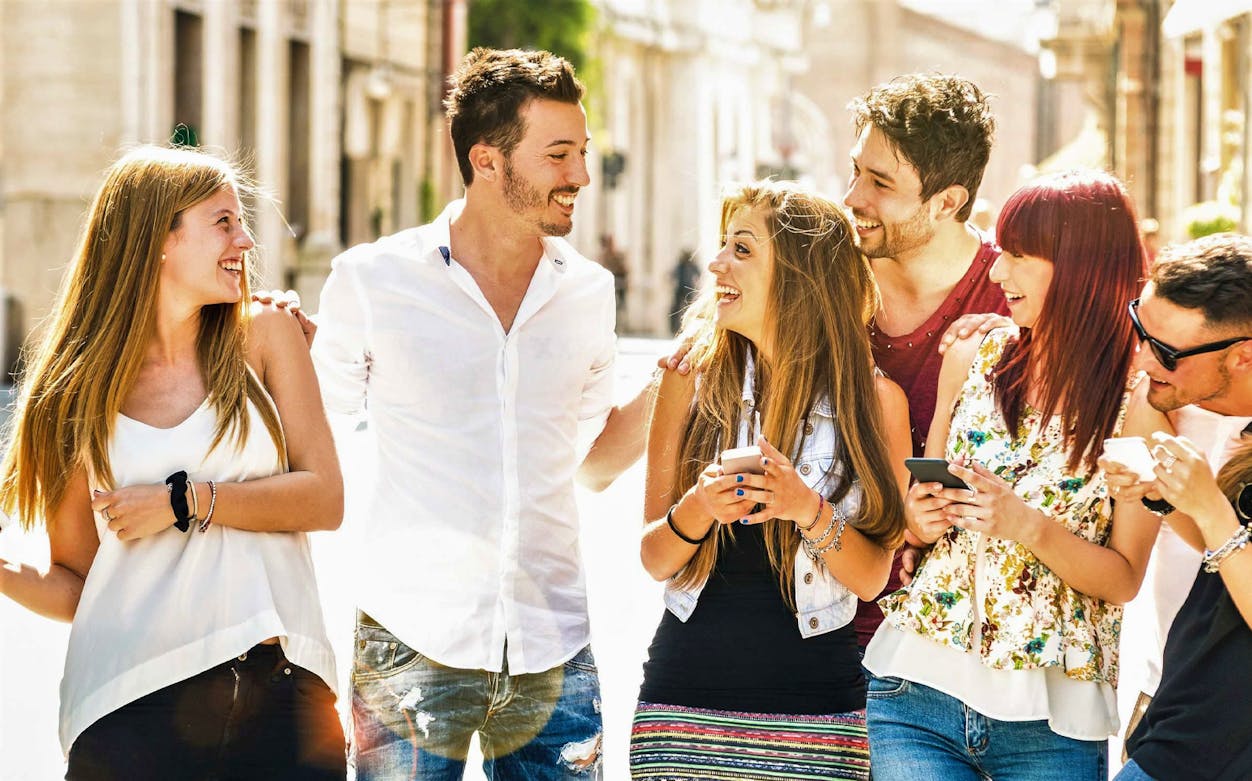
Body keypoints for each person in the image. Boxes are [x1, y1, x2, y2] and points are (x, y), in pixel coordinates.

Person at [312, 48, 649, 779]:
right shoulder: (372, 281)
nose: (580, 176)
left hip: (553, 646)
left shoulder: (589, 292)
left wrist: (685, 375)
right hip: (409, 645)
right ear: (488, 161)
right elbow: (303, 436)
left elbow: (592, 464)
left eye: (583, 152)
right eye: (558, 154)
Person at [0, 145, 345, 778]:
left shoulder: (265, 335)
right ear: (157, 239)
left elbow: (324, 498)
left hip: (282, 693)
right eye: (222, 222)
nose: (245, 240)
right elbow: (78, 583)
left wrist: (188, 501)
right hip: (127, 705)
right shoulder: (73, 391)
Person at [863, 170, 1169, 780]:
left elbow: (1124, 579)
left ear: (1081, 267)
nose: (998, 273)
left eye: (1018, 256)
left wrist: (1025, 524)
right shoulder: (971, 355)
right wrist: (919, 521)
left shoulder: (1140, 401)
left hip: (1052, 721)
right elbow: (919, 523)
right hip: (917, 692)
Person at [629, 181, 911, 780]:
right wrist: (700, 508)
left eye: (743, 249)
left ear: (800, 275)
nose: (716, 263)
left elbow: (871, 579)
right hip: (682, 715)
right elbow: (655, 558)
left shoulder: (878, 402)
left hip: (819, 716)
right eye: (723, 245)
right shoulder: (689, 381)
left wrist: (806, 508)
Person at [1105, 233, 1252, 780]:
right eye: (1140, 329)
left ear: (1242, 355)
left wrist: (1209, 506)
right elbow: (1231, 551)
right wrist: (1164, 496)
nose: (1142, 358)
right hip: (1183, 728)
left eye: (1165, 351)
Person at [669, 248, 700, 334]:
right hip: (680, 289)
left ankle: (688, 327)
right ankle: (674, 328)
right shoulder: (680, 265)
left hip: (688, 289)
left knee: (689, 309)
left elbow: (698, 274)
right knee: (675, 309)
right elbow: (673, 275)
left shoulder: (692, 265)